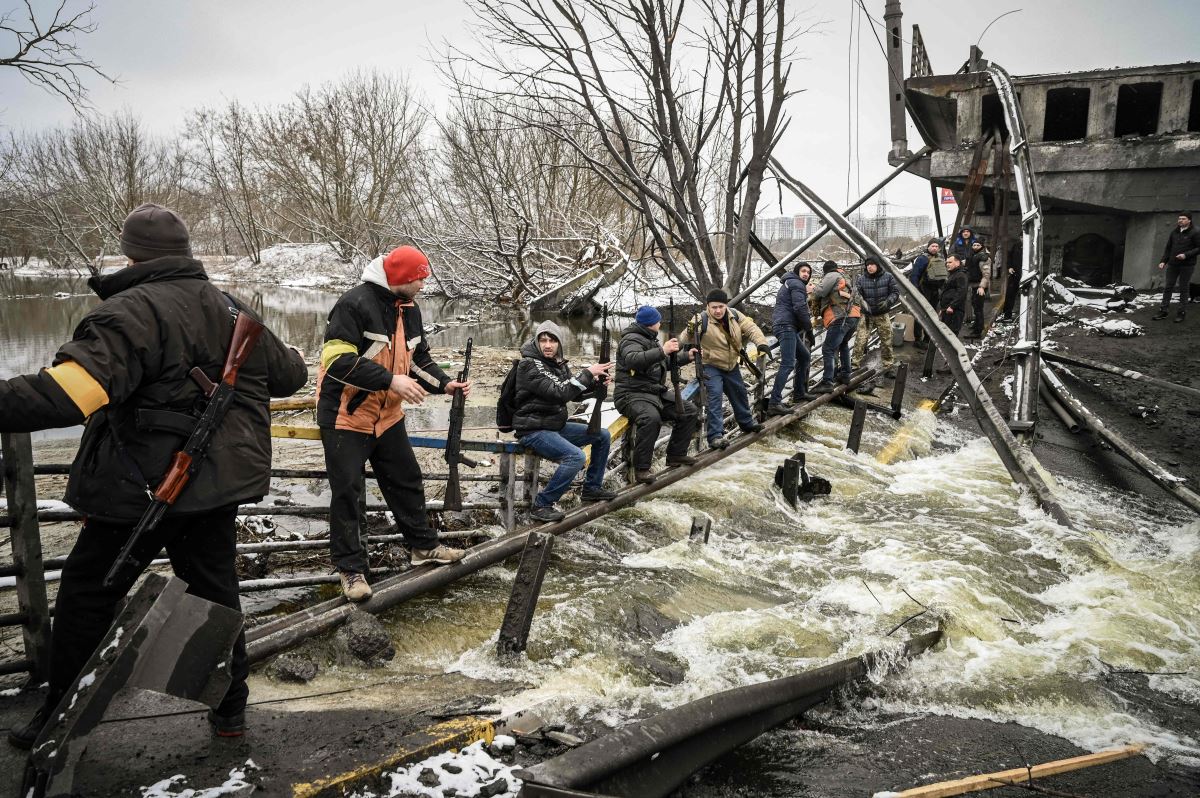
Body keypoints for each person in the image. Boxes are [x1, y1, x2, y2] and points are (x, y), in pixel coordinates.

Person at [0, 203, 308, 747]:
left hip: (140, 489)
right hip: (213, 490)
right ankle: (231, 714)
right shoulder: (232, 307)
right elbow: (288, 376)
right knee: (216, 592)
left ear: (130, 255)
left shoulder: (129, 311)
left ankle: (59, 718)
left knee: (87, 596)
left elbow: (71, 394)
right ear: (187, 252)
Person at [317, 246, 469, 604]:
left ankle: (422, 547)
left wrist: (444, 384)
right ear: (400, 278)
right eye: (418, 277)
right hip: (346, 416)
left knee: (406, 480)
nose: (423, 282)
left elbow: (419, 360)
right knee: (347, 493)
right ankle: (351, 570)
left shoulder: (410, 309)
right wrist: (389, 381)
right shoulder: (353, 304)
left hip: (387, 416)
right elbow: (335, 360)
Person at [514, 320, 616, 522]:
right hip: (533, 429)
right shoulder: (529, 364)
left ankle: (592, 488)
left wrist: (595, 384)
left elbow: (574, 394)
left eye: (552, 340)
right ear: (537, 342)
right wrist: (587, 373)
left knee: (602, 435)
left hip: (553, 425)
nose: (547, 345)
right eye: (543, 340)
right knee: (575, 457)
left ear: (559, 343)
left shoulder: (557, 364)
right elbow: (559, 393)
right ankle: (542, 505)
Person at [614, 306, 699, 483]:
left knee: (688, 411)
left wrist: (686, 357)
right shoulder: (631, 339)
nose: (660, 323)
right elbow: (633, 360)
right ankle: (642, 469)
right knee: (651, 419)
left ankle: (675, 455)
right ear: (652, 323)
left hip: (652, 393)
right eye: (658, 320)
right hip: (631, 394)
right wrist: (663, 350)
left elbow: (660, 362)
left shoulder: (648, 338)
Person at [681, 289, 766, 450]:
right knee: (715, 398)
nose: (718, 310)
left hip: (731, 364)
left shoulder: (735, 315)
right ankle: (715, 436)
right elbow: (685, 339)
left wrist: (761, 343)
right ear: (708, 307)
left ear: (726, 305)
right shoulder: (701, 319)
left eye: (721, 306)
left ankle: (747, 423)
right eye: (714, 307)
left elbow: (751, 328)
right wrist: (691, 330)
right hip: (710, 365)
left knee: (739, 393)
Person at [768, 262, 816, 415]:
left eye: (808, 272)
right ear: (797, 272)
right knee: (788, 363)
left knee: (804, 357)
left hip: (787, 325)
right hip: (786, 325)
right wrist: (809, 330)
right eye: (803, 271)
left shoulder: (793, 283)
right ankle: (774, 402)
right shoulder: (796, 284)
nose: (806, 274)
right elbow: (799, 307)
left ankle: (799, 393)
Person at [812, 261, 861, 393]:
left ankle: (827, 382)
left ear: (826, 270)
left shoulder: (831, 275)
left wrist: (812, 289)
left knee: (828, 348)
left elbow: (820, 292)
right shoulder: (845, 276)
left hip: (840, 316)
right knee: (843, 344)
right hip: (854, 316)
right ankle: (845, 375)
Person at [852, 256, 900, 379]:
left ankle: (888, 366)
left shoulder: (888, 277)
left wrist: (888, 302)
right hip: (867, 315)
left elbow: (895, 292)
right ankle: (854, 365)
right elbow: (857, 294)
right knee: (860, 340)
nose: (869, 267)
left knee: (886, 340)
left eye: (872, 264)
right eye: (867, 265)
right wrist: (862, 303)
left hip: (882, 314)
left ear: (877, 266)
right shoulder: (861, 279)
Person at [1153, 212, 1200, 323]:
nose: (1180, 221)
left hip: (1187, 265)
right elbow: (1168, 248)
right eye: (1179, 219)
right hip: (1173, 264)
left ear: (1189, 220)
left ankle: (1181, 312)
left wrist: (1185, 255)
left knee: (1183, 288)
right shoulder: (1174, 232)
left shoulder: (1196, 232)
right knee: (1168, 287)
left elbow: (1199, 248)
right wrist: (1163, 261)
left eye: (1183, 219)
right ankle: (1163, 310)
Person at [909, 239, 947, 347]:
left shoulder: (940, 258)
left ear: (939, 248)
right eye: (932, 246)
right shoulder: (922, 258)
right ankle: (917, 339)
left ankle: (927, 338)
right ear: (928, 247)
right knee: (920, 315)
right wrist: (915, 290)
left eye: (936, 246)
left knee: (932, 315)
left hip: (935, 291)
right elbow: (915, 275)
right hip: (923, 290)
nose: (934, 248)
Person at [964, 239, 991, 337]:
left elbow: (986, 274)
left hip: (979, 286)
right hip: (974, 285)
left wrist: (982, 287)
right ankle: (977, 325)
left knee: (978, 308)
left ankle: (977, 331)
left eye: (978, 245)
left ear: (982, 246)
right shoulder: (973, 256)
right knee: (976, 306)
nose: (975, 247)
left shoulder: (984, 258)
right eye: (974, 245)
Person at [939, 253, 969, 335]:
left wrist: (952, 306)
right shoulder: (952, 274)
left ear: (957, 262)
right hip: (947, 309)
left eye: (950, 262)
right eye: (947, 263)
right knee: (945, 333)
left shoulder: (961, 275)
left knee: (951, 334)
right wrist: (943, 309)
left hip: (954, 311)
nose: (947, 264)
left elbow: (962, 293)